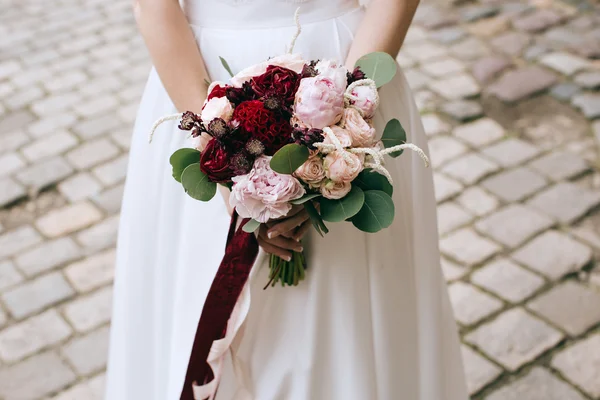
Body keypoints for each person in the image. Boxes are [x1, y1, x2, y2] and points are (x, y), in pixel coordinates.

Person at [105, 0, 469, 399]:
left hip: (344, 69)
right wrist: (225, 156)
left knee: (344, 306)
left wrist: (341, 123)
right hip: (199, 84)